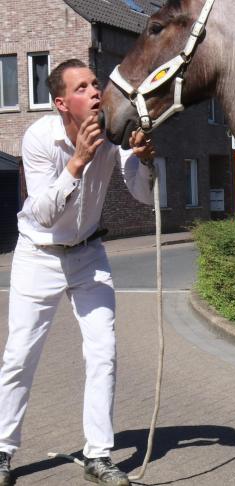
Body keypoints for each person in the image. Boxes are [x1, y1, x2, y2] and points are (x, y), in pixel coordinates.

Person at [0, 59, 156, 486]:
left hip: (88, 256)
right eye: (83, 87)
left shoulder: (112, 134)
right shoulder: (38, 138)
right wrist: (79, 161)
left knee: (103, 350)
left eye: (95, 83)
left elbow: (143, 196)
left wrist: (142, 160)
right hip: (39, 255)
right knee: (20, 355)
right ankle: (2, 450)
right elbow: (43, 214)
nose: (94, 91)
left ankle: (98, 456)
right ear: (61, 103)